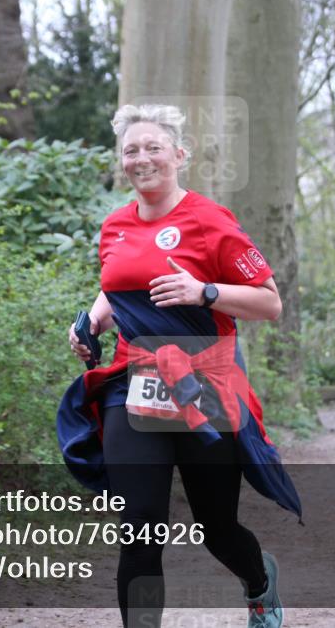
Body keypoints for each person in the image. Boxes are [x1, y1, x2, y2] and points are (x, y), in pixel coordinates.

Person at [57, 104, 299, 628]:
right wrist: (92, 323)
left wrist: (204, 291)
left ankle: (259, 584)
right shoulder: (115, 226)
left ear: (179, 155)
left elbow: (270, 303)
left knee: (216, 527)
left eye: (154, 147)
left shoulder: (210, 221)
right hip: (134, 382)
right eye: (131, 150)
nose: (141, 158)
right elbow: (116, 288)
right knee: (140, 528)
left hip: (203, 385)